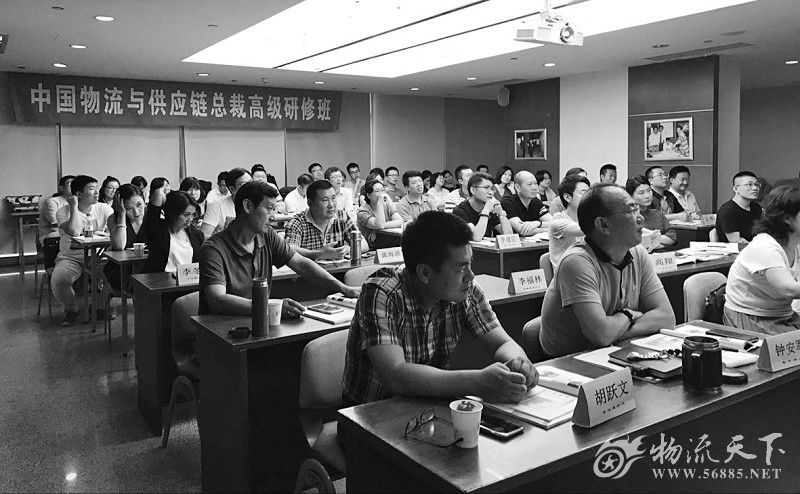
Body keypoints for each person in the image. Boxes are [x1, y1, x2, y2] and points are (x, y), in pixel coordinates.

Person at [342, 211, 538, 405]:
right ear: (425, 273)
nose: (470, 276)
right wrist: (477, 382)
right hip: (372, 412)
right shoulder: (382, 293)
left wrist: (519, 364)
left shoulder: (466, 289)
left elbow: (503, 343)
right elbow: (395, 375)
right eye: (461, 268)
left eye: (470, 264)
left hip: (429, 406)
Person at [537, 184, 675, 357]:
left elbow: (666, 316)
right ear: (603, 224)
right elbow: (601, 335)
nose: (640, 218)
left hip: (614, 350)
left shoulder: (637, 252)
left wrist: (615, 331)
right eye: (631, 211)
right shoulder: (576, 262)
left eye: (637, 210)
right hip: (570, 360)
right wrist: (628, 315)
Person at [199, 181, 360, 316]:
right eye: (269, 209)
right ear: (248, 206)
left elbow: (301, 264)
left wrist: (344, 288)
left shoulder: (267, 235)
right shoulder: (213, 249)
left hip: (262, 321)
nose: (274, 216)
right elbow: (217, 299)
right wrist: (271, 307)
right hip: (222, 331)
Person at [723, 184, 800, 335]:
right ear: (787, 219)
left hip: (783, 315)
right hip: (752, 317)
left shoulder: (795, 242)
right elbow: (788, 289)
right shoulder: (765, 246)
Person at [51, 175, 114, 326]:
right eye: (92, 189)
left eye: (97, 188)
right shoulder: (63, 212)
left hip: (98, 256)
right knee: (59, 280)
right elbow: (74, 231)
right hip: (70, 257)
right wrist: (73, 207)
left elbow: (115, 231)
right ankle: (71, 309)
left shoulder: (104, 208)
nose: (97, 192)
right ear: (78, 194)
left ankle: (99, 306)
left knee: (114, 275)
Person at [284, 180, 366, 260]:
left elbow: (364, 244)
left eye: (333, 198)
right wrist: (320, 254)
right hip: (309, 269)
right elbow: (289, 250)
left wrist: (350, 249)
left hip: (339, 268)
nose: (331, 205)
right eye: (325, 200)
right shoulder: (297, 223)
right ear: (310, 203)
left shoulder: (342, 216)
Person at [141, 188, 204, 274]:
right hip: (160, 280)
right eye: (186, 215)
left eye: (192, 215)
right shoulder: (158, 230)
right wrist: (166, 193)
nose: (190, 219)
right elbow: (158, 195)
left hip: (187, 280)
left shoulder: (196, 235)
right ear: (174, 214)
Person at [103, 184, 148, 291]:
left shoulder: (153, 216)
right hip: (121, 269)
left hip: (147, 267)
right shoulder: (114, 218)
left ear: (144, 200)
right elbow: (119, 246)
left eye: (139, 205)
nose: (136, 212)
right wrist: (122, 215)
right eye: (128, 208)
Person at [452, 172, 513, 241]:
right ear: (473, 190)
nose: (491, 192)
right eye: (486, 187)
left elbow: (509, 236)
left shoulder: (491, 208)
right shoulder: (460, 211)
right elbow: (476, 237)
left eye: (492, 188)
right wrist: (486, 211)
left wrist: (501, 214)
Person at [548, 174, 590, 269]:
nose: (589, 197)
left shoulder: (586, 219)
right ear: (567, 197)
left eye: (589, 193)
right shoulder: (558, 222)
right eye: (584, 193)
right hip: (567, 275)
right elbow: (589, 229)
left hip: (585, 270)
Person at [625, 175, 675, 250]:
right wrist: (660, 241)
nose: (647, 196)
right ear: (630, 196)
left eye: (649, 190)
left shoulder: (657, 214)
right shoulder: (627, 217)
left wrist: (653, 239)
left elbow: (672, 237)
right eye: (641, 193)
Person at [200, 167, 251, 238]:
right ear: (232, 189)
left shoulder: (258, 204)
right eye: (244, 184)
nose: (251, 187)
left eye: (251, 182)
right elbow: (203, 236)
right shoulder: (216, 206)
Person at [715, 171, 763, 245]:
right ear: (736, 189)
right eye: (749, 185)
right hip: (735, 250)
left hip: (755, 247)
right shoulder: (727, 211)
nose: (755, 188)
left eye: (757, 185)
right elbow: (737, 242)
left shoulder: (756, 208)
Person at [501, 171, 553, 236]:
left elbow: (554, 223)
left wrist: (538, 223)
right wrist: (550, 230)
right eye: (529, 184)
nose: (534, 187)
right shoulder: (508, 202)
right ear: (518, 187)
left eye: (535, 183)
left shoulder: (536, 201)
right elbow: (521, 230)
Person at [356, 179, 404, 248]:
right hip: (369, 247)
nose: (381, 194)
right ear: (369, 195)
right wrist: (380, 203)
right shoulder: (362, 211)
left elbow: (400, 221)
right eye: (377, 191)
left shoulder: (386, 205)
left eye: (382, 190)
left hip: (385, 241)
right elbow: (380, 225)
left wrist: (377, 229)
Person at [38, 175, 74, 239]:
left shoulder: (78, 201)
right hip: (51, 237)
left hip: (71, 235)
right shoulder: (52, 202)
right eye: (70, 183)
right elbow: (57, 224)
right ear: (62, 188)